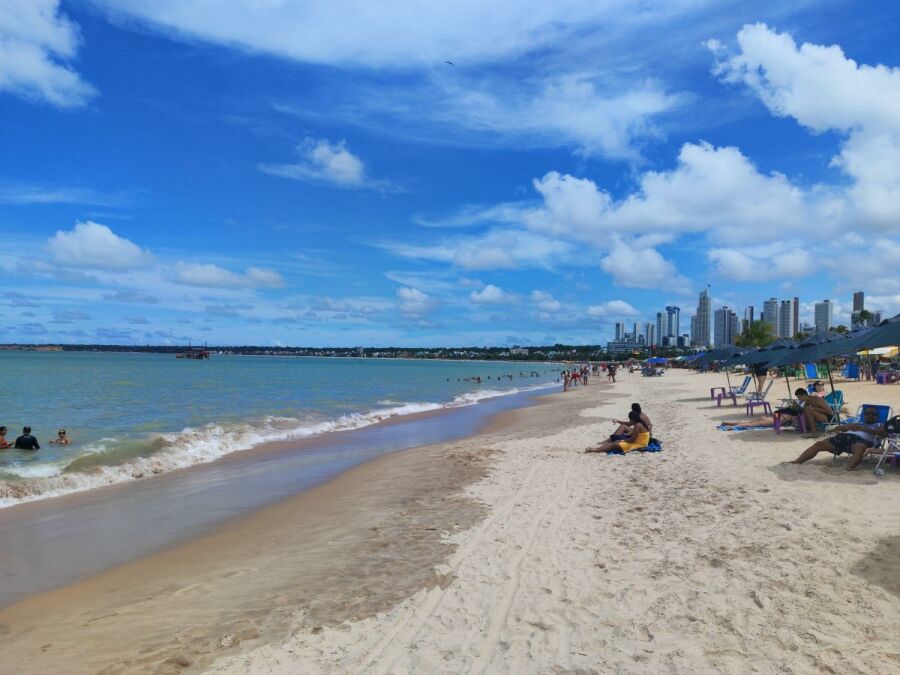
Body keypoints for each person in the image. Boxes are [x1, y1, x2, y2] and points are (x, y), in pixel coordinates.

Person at [789, 407, 886, 471]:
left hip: (861, 441)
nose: (870, 415)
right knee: (819, 444)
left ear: (877, 416)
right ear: (864, 415)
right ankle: (797, 461)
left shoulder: (880, 424)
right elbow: (836, 429)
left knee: (860, 447)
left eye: (873, 414)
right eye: (867, 413)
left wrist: (864, 429)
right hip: (844, 438)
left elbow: (884, 433)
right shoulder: (856, 422)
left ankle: (848, 468)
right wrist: (843, 428)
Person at [720, 389, 831, 430]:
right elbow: (803, 412)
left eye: (799, 397)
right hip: (784, 418)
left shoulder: (817, 400)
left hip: (784, 418)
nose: (799, 399)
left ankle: (732, 424)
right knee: (754, 422)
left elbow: (829, 413)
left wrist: (810, 409)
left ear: (803, 395)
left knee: (755, 422)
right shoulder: (807, 402)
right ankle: (733, 425)